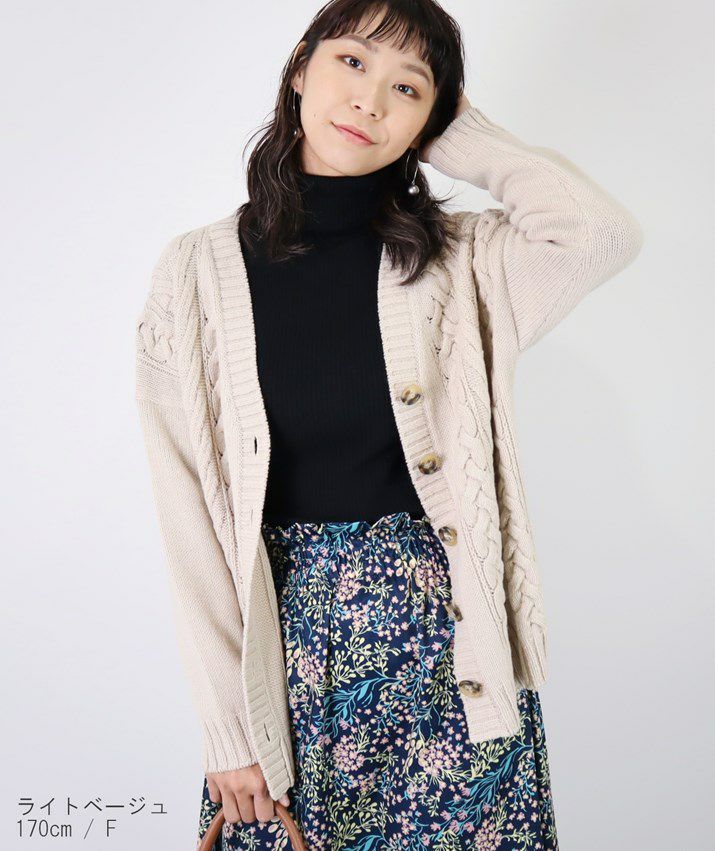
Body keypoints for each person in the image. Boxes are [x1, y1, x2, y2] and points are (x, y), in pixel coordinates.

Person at [135, 2, 643, 849]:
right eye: (352, 62)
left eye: (407, 88)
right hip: (288, 672)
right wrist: (228, 730)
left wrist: (460, 131)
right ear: (300, 66)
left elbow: (596, 235)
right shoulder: (193, 274)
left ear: (430, 121)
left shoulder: (465, 262)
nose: (368, 100)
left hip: (456, 662)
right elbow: (184, 511)